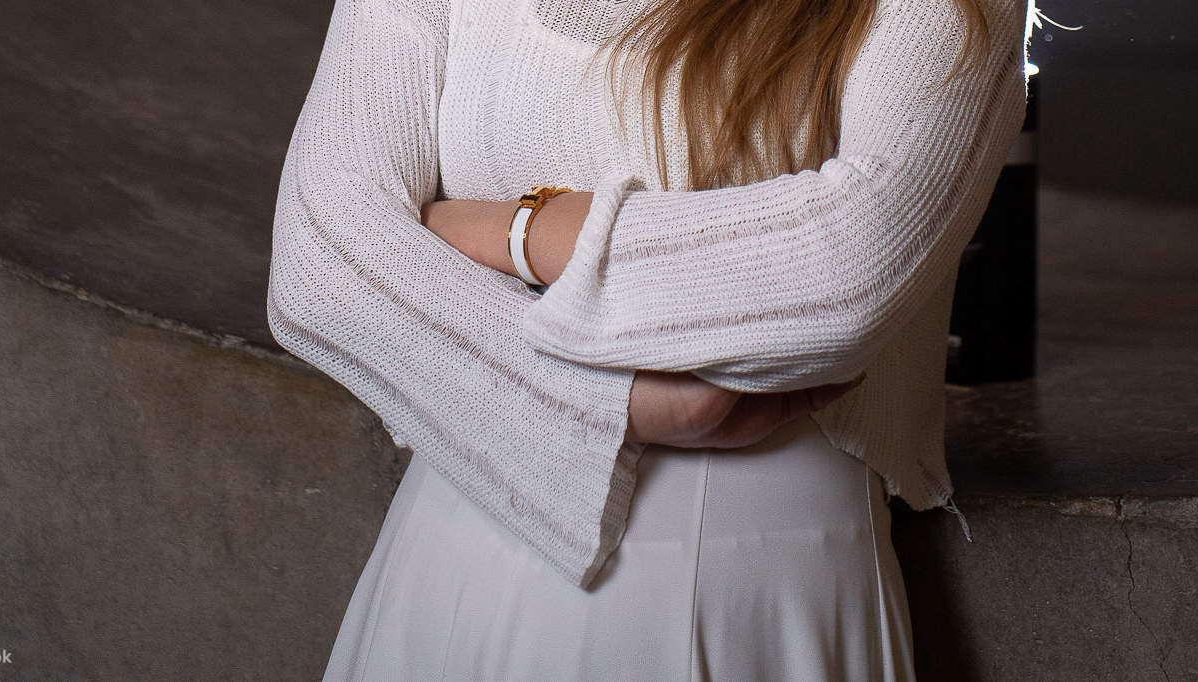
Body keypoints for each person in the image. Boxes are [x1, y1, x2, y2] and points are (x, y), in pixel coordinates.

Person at [265, 0, 1030, 677]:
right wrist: (615, 399)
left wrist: (502, 226)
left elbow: (845, 274)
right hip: (447, 547)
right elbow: (317, 268)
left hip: (752, 580)